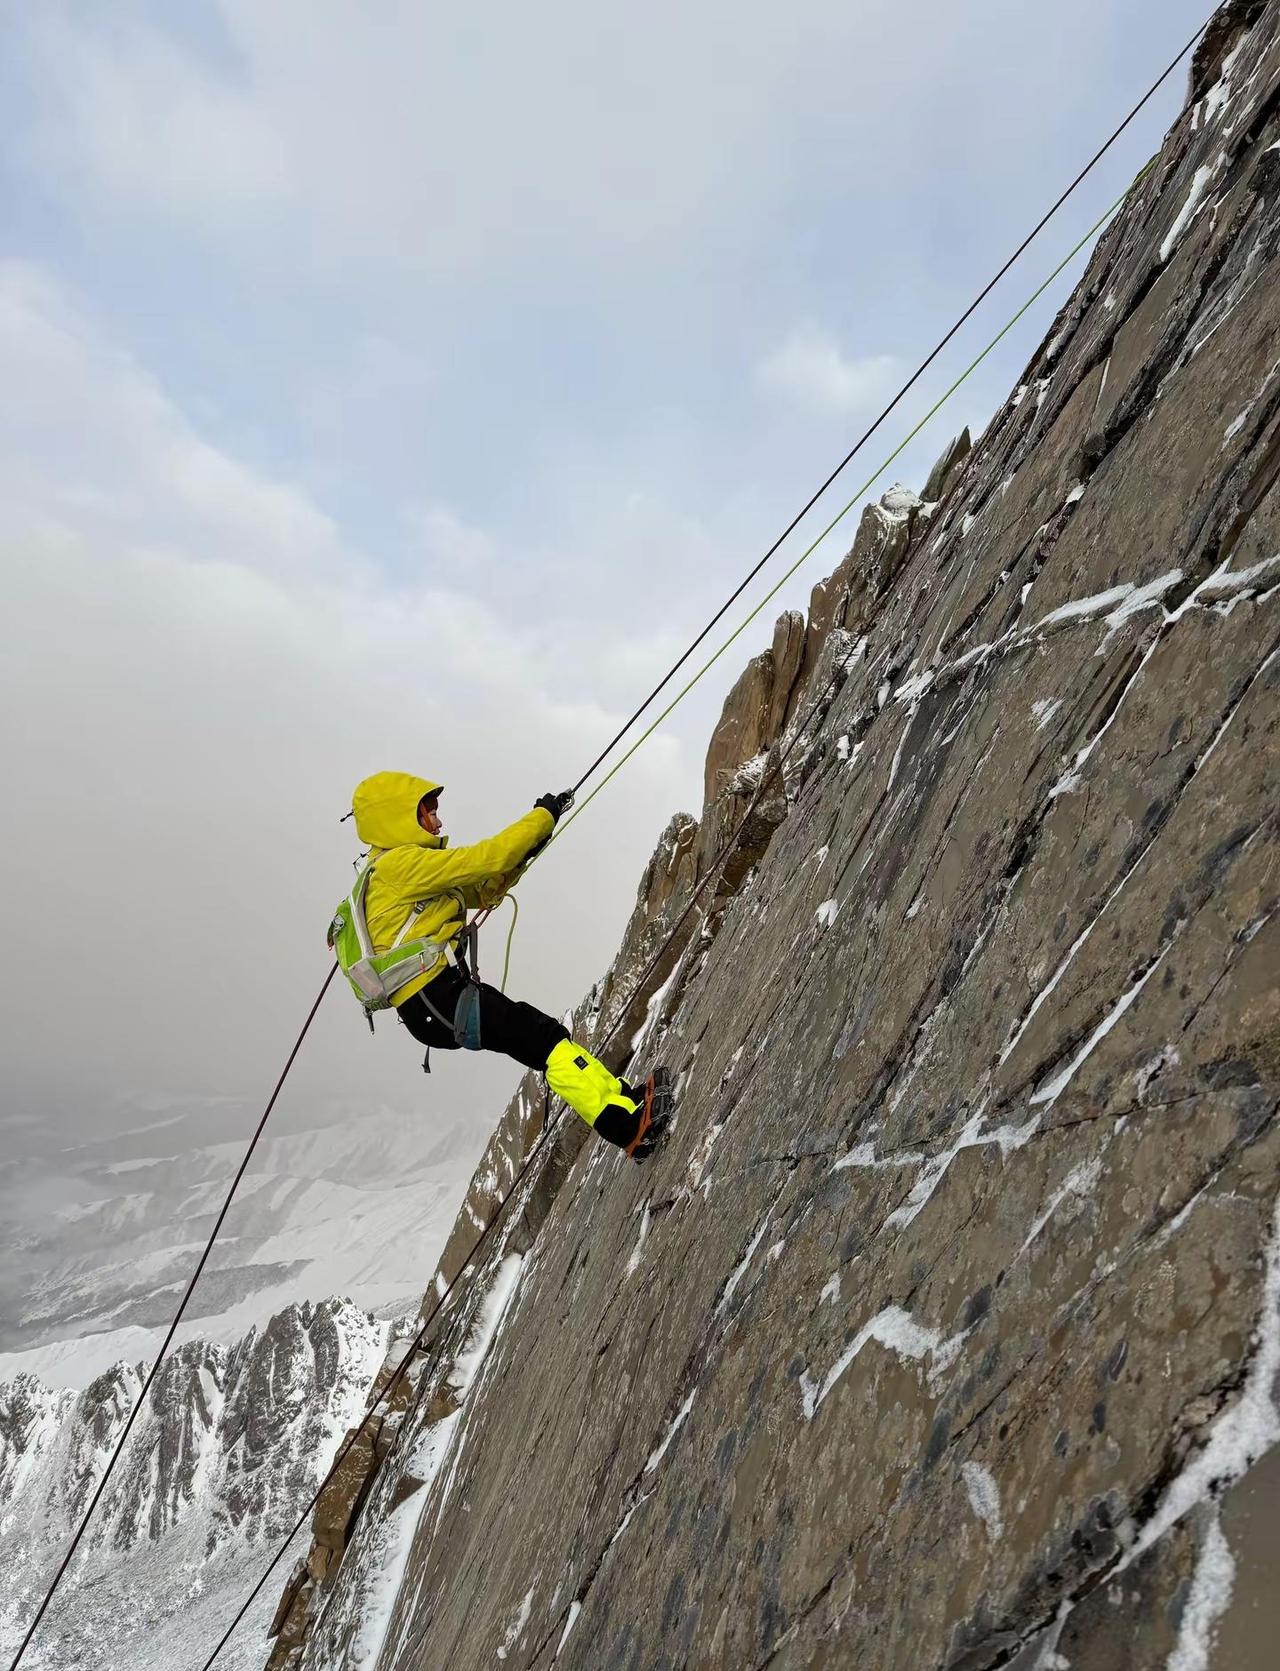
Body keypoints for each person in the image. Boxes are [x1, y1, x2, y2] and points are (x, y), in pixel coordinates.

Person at [333, 770, 664, 1159]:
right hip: (434, 997)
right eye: (427, 813)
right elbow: (487, 858)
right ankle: (627, 1128)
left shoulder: (399, 871)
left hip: (433, 1002)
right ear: (397, 817)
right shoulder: (398, 866)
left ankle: (625, 1102)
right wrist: (542, 817)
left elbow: (483, 886)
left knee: (541, 1035)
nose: (437, 821)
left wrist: (526, 849)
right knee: (541, 1039)